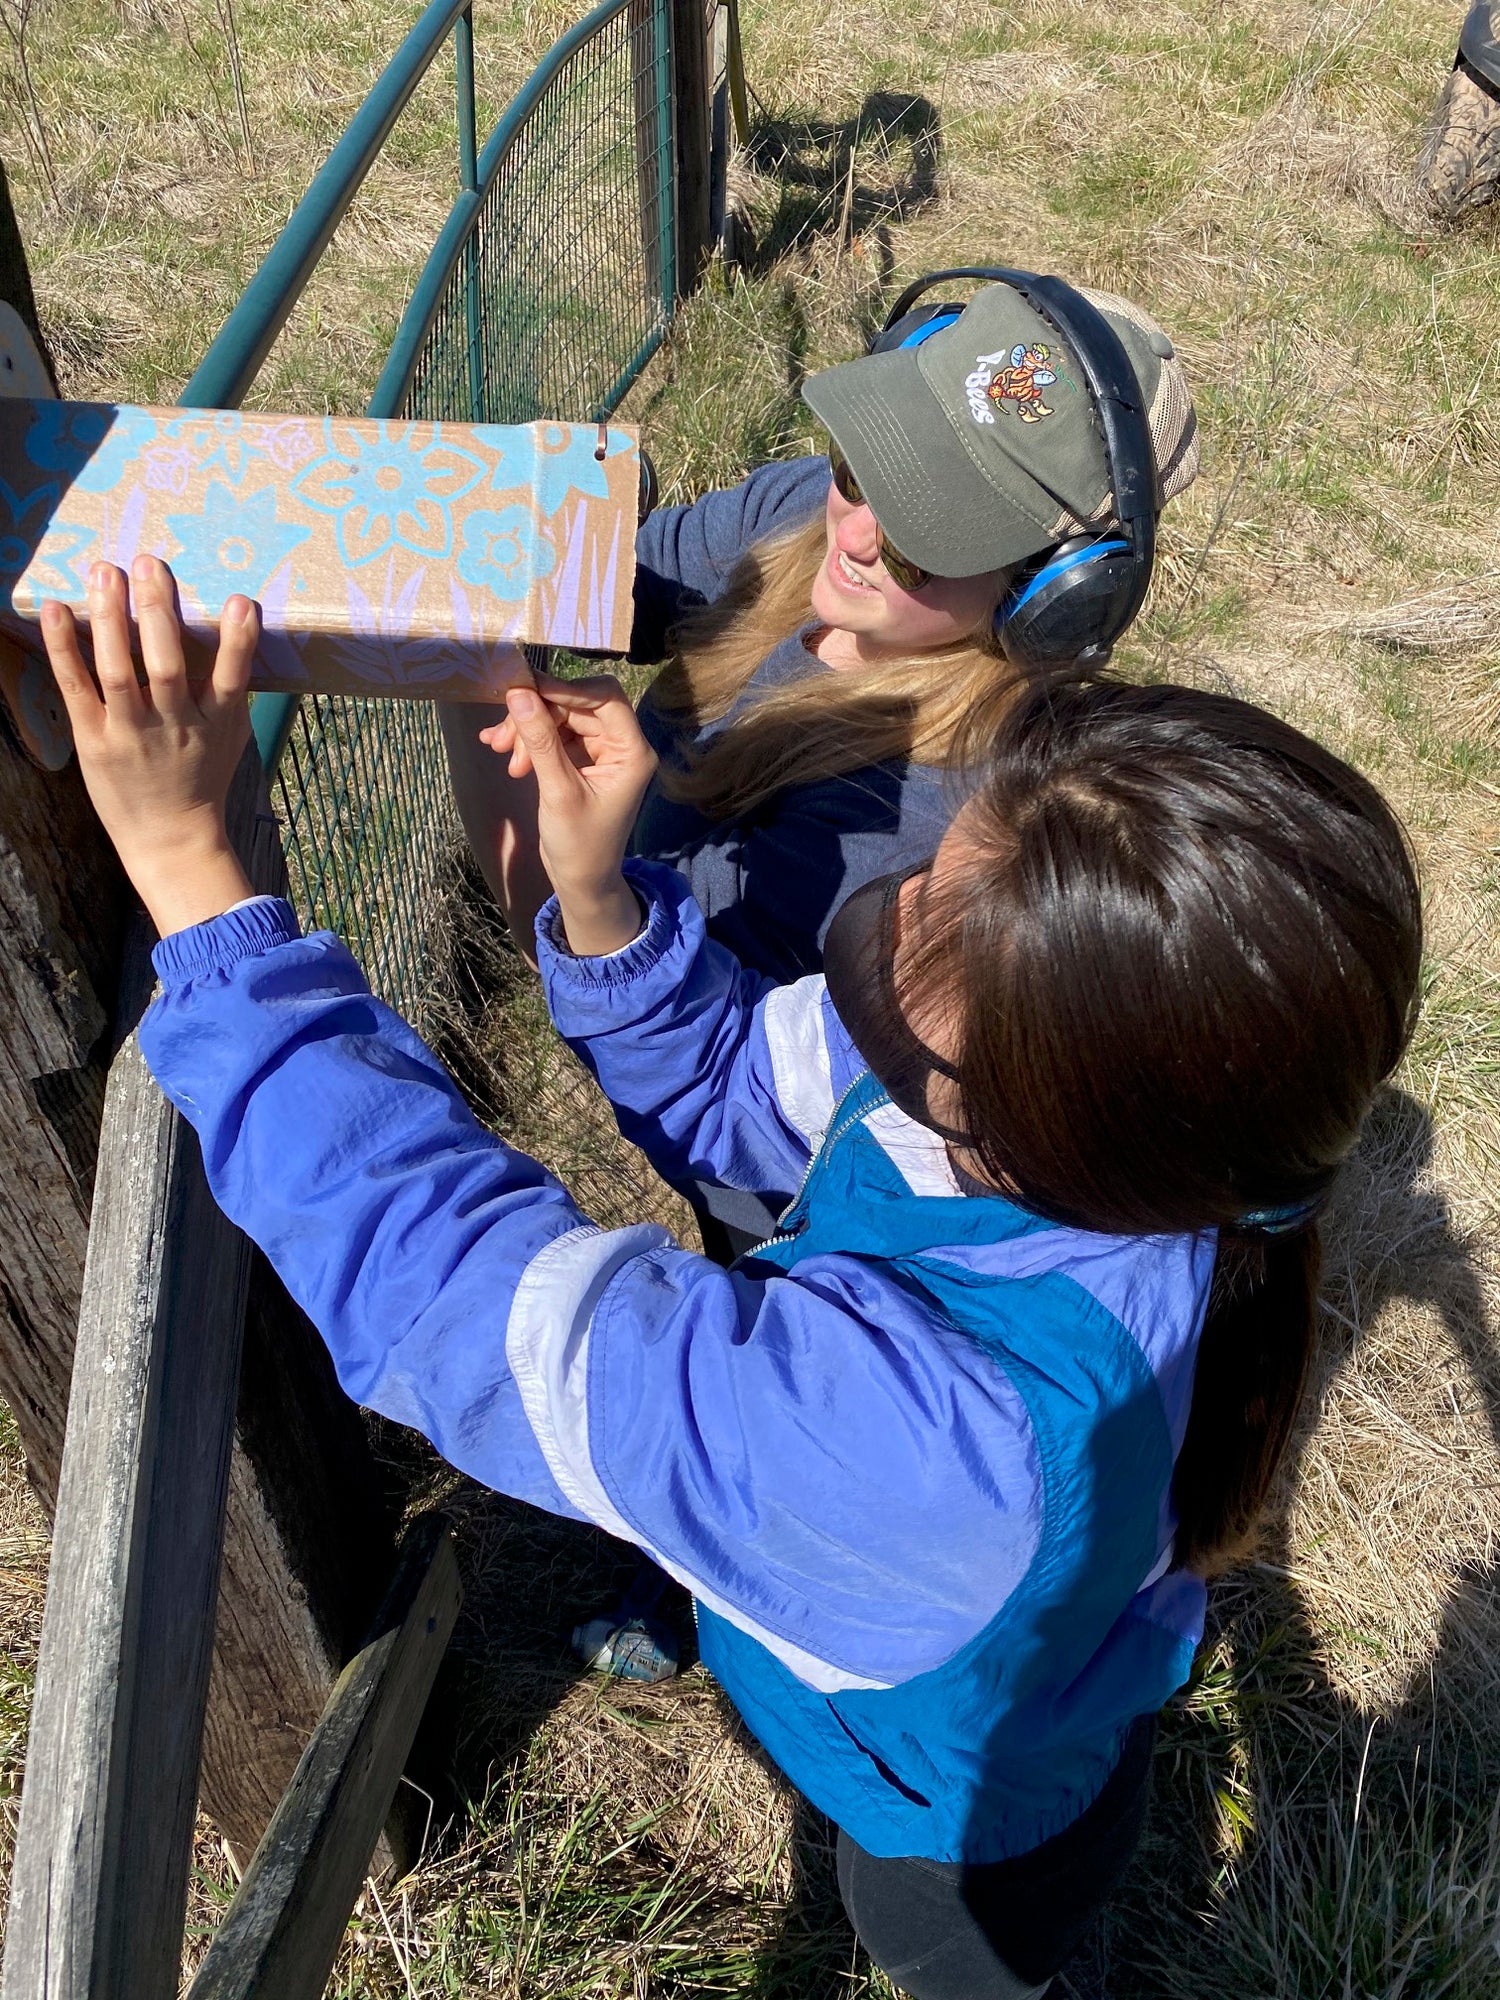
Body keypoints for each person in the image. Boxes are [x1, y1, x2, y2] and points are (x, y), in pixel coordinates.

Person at [42, 558, 1421, 1999]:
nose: (886, 927)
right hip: (996, 1674)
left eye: (926, 937)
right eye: (930, 879)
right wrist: (596, 898)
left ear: (1043, 1107)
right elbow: (731, 1083)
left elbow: (454, 1297)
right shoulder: (1115, 1118)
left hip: (954, 1843)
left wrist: (207, 897)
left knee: (964, 1953)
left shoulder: (920, 1443)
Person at [442, 271, 1202, 1255]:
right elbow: (615, 576)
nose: (854, 531)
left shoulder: (916, 819)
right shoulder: (815, 513)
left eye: (922, 541)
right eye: (865, 459)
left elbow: (660, 1043)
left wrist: (462, 662)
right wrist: (474, 534)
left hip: (773, 1196)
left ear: (1050, 595)